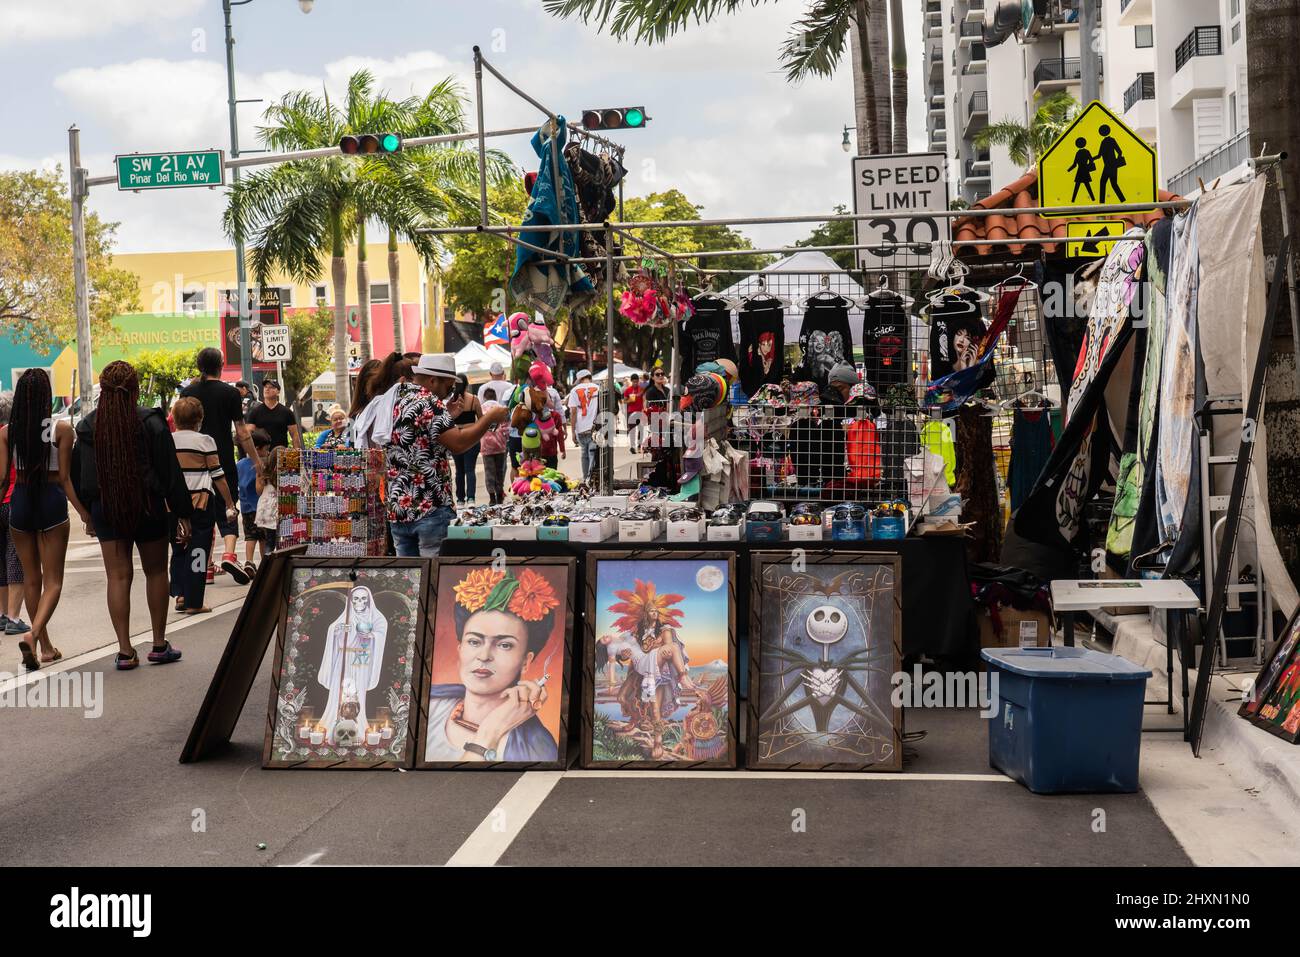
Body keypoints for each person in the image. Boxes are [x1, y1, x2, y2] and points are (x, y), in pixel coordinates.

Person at [73, 361, 193, 671]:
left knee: (117, 576)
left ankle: (125, 651)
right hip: (148, 505)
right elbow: (170, 472)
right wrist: (182, 512)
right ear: (135, 387)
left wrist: (88, 512)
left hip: (106, 508)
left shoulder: (87, 427)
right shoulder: (150, 421)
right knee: (155, 572)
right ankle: (158, 643)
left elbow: (81, 476)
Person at [0, 370, 90, 670]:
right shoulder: (63, 429)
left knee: (31, 579)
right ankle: (33, 634)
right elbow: (65, 479)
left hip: (21, 501)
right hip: (51, 501)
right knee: (53, 582)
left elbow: (3, 480)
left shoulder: (6, 432)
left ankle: (46, 648)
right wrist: (84, 513)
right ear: (46, 394)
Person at [424, 566, 557, 763]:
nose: (484, 656)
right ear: (460, 649)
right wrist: (490, 731)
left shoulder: (537, 747)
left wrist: (492, 731)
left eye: (504, 645)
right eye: (474, 642)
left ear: (525, 661)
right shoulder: (429, 706)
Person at [384, 354, 508, 557]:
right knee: (433, 579)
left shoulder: (395, 400)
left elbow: (418, 437)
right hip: (429, 507)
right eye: (449, 387)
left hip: (399, 509)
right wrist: (489, 419)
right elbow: (458, 444)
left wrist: (447, 417)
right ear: (433, 381)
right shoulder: (429, 402)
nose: (451, 393)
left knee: (409, 581)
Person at [180, 347, 258, 584]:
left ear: (199, 365)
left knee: (200, 515)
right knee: (228, 507)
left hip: (193, 461)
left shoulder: (188, 392)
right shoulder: (230, 393)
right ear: (221, 365)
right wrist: (255, 460)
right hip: (222, 457)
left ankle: (206, 568)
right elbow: (242, 432)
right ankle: (229, 554)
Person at [169, 396, 238, 615]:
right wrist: (229, 503)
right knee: (199, 551)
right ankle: (194, 601)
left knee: (178, 547)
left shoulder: (168, 440)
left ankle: (179, 593)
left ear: (175, 418)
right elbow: (218, 476)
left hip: (172, 505)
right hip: (201, 503)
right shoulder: (205, 441)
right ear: (199, 418)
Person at [319, 585, 388, 746]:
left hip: (361, 658)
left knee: (357, 693)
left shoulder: (375, 616)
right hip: (344, 658)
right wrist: (337, 630)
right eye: (356, 598)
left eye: (364, 598)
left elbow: (381, 632)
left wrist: (371, 636)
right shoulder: (346, 616)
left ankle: (357, 724)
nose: (360, 602)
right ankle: (336, 724)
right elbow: (333, 630)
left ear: (368, 600)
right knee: (339, 690)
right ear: (351, 601)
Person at [0, 392, 30, 638]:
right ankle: (13, 616)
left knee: (0, 558)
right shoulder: (12, 434)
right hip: (9, 498)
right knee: (15, 557)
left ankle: (2, 614)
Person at [237, 429, 272, 576]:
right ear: (256, 448)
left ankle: (249, 561)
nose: (267, 452)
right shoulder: (261, 465)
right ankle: (265, 562)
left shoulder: (240, 464)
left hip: (245, 507)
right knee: (263, 537)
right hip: (260, 506)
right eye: (266, 449)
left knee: (250, 537)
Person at [451, 373, 482, 505]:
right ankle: (471, 498)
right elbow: (481, 419)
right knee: (470, 470)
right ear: (467, 385)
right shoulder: (474, 399)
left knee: (459, 470)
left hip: (455, 437)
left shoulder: (451, 401)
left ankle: (459, 499)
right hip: (471, 437)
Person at [245, 378, 302, 451]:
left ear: (278, 392)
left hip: (281, 453)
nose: (267, 389)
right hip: (261, 454)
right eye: (265, 387)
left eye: (271, 387)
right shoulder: (255, 412)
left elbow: (294, 434)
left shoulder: (287, 412)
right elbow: (248, 434)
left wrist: (296, 451)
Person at [566, 368, 601, 481]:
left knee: (584, 454)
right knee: (592, 454)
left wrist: (573, 431)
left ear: (580, 379)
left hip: (581, 428)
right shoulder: (598, 388)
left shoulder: (574, 390)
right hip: (594, 428)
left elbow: (573, 411)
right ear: (590, 377)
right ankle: (592, 480)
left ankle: (586, 480)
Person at [255, 444, 282, 554]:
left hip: (265, 509)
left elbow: (258, 491)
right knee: (281, 542)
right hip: (277, 510)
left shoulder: (264, 471)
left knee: (270, 541)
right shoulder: (287, 473)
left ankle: (268, 566)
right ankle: (277, 566)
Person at [1067, 136, 1097, 203]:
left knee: (1077, 187)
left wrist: (1068, 170)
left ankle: (1073, 200)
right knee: (1087, 186)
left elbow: (1074, 164)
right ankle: (1093, 199)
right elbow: (1091, 161)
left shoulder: (1078, 153)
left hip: (1080, 171)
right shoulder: (1087, 151)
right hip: (1086, 171)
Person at [623, 372, 645, 448]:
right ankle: (632, 446)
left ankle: (639, 445)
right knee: (632, 430)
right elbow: (624, 401)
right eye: (634, 382)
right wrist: (630, 400)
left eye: (637, 381)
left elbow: (645, 399)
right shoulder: (627, 390)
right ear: (631, 381)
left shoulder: (641, 389)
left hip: (640, 411)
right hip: (631, 411)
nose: (635, 383)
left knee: (641, 429)